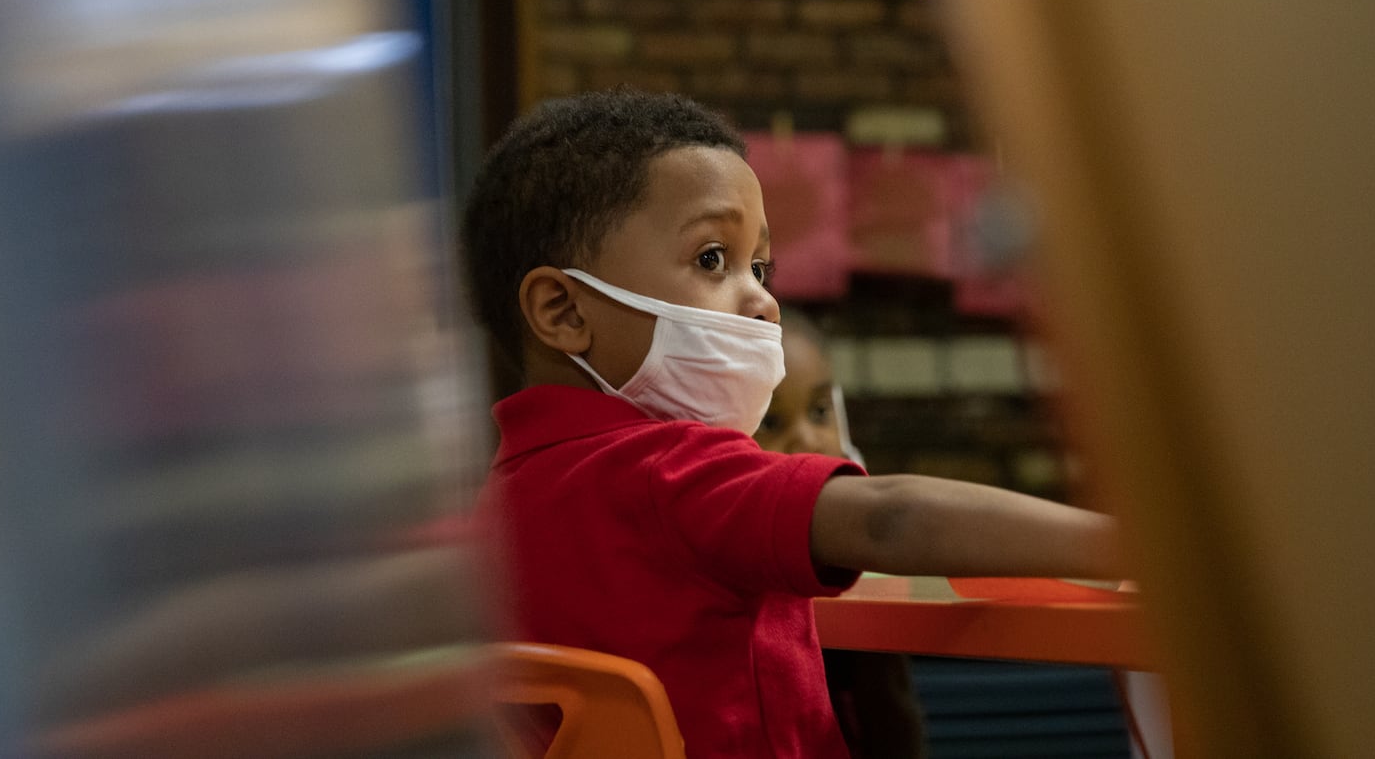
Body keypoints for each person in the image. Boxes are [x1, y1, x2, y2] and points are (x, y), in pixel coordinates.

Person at [462, 89, 1121, 759]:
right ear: (562, 310)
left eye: (760, 266)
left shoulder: (498, 503)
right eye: (712, 258)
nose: (762, 300)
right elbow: (889, 518)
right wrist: (1136, 548)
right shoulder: (670, 472)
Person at [755, 309, 927, 759]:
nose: (808, 439)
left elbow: (893, 714)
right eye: (771, 423)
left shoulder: (858, 547)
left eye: (819, 411)